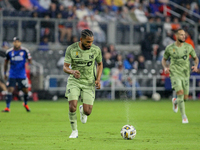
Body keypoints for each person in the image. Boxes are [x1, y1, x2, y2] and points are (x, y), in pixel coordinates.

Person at [63, 29, 103, 138]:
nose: (90, 44)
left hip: (89, 82)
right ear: (81, 40)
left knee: (88, 111)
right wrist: (72, 71)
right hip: (74, 81)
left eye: (91, 41)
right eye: (87, 42)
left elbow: (100, 64)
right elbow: (65, 67)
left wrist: (98, 79)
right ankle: (74, 131)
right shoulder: (71, 49)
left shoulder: (95, 50)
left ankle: (83, 110)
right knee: (72, 106)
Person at [162, 29, 199, 124]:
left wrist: (195, 66)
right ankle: (184, 116)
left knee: (185, 97)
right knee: (180, 92)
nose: (184, 36)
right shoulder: (170, 48)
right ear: (177, 36)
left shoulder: (189, 47)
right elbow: (164, 59)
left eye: (184, 35)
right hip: (174, 73)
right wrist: (165, 67)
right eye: (182, 35)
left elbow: (195, 58)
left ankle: (175, 101)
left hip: (185, 74)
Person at [2, 37, 32, 112]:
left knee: (26, 91)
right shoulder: (9, 52)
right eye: (15, 42)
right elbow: (5, 63)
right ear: (13, 43)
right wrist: (5, 73)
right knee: (10, 89)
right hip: (12, 74)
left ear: (20, 43)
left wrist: (29, 64)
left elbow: (30, 60)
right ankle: (7, 107)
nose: (16, 43)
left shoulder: (25, 51)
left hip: (22, 74)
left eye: (18, 42)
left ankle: (25, 103)